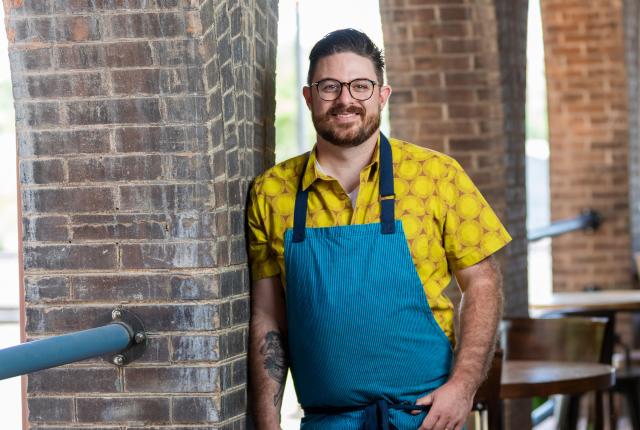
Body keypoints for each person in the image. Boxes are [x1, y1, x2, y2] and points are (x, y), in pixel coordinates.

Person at [248, 28, 512, 430]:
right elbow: (268, 317)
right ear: (308, 96)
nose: (345, 100)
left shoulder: (437, 175)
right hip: (327, 423)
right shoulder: (272, 192)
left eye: (361, 86)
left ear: (382, 95)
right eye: (330, 86)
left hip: (427, 420)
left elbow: (483, 282)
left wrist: (463, 387)